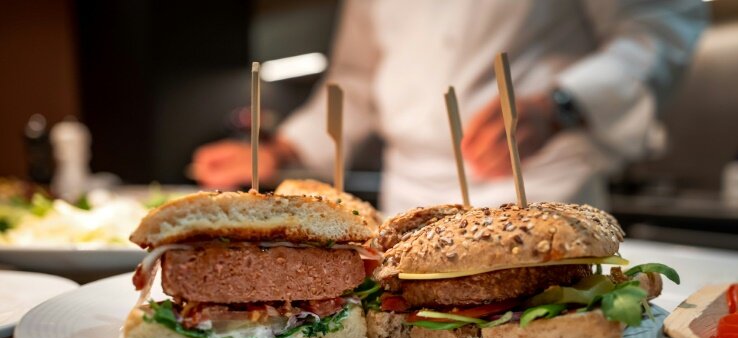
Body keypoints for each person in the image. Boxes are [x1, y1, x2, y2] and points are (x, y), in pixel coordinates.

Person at [193, 0, 707, 215]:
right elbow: (356, 81)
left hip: (534, 183)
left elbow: (658, 32)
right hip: (407, 194)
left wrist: (561, 105)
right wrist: (280, 147)